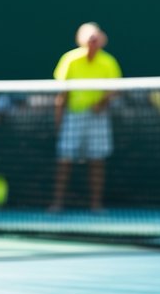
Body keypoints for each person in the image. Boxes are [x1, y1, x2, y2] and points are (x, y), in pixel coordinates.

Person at [48, 23, 122, 213]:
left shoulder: (108, 62)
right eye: (89, 39)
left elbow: (115, 89)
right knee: (64, 160)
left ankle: (96, 205)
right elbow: (61, 94)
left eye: (96, 39)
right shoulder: (70, 60)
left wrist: (102, 102)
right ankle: (57, 203)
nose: (92, 43)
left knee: (97, 161)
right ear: (81, 40)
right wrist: (59, 119)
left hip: (98, 118)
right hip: (73, 116)